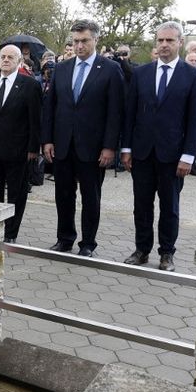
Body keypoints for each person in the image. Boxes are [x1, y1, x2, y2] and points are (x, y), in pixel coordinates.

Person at [121, 22, 196, 272]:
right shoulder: (141, 74)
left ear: (180, 42)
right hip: (143, 152)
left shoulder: (193, 75)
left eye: (170, 40)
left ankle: (167, 253)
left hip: (173, 154)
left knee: (170, 206)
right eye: (160, 40)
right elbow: (130, 114)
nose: (164, 45)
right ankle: (142, 249)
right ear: (155, 43)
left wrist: (188, 155)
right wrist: (126, 148)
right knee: (142, 205)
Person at [42, 21, 123, 257]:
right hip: (63, 144)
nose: (79, 45)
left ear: (95, 40)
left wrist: (110, 146)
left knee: (91, 197)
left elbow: (115, 112)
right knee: (63, 195)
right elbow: (51, 107)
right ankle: (64, 238)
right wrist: (47, 140)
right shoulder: (63, 68)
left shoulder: (109, 69)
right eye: (76, 41)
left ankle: (88, 243)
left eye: (84, 41)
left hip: (93, 147)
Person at [0, 44, 41, 243]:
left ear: (19, 61)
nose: (5, 60)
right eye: (2, 56)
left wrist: (33, 148)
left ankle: (10, 233)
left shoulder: (30, 85)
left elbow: (35, 120)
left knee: (16, 194)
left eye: (11, 57)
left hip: (18, 150)